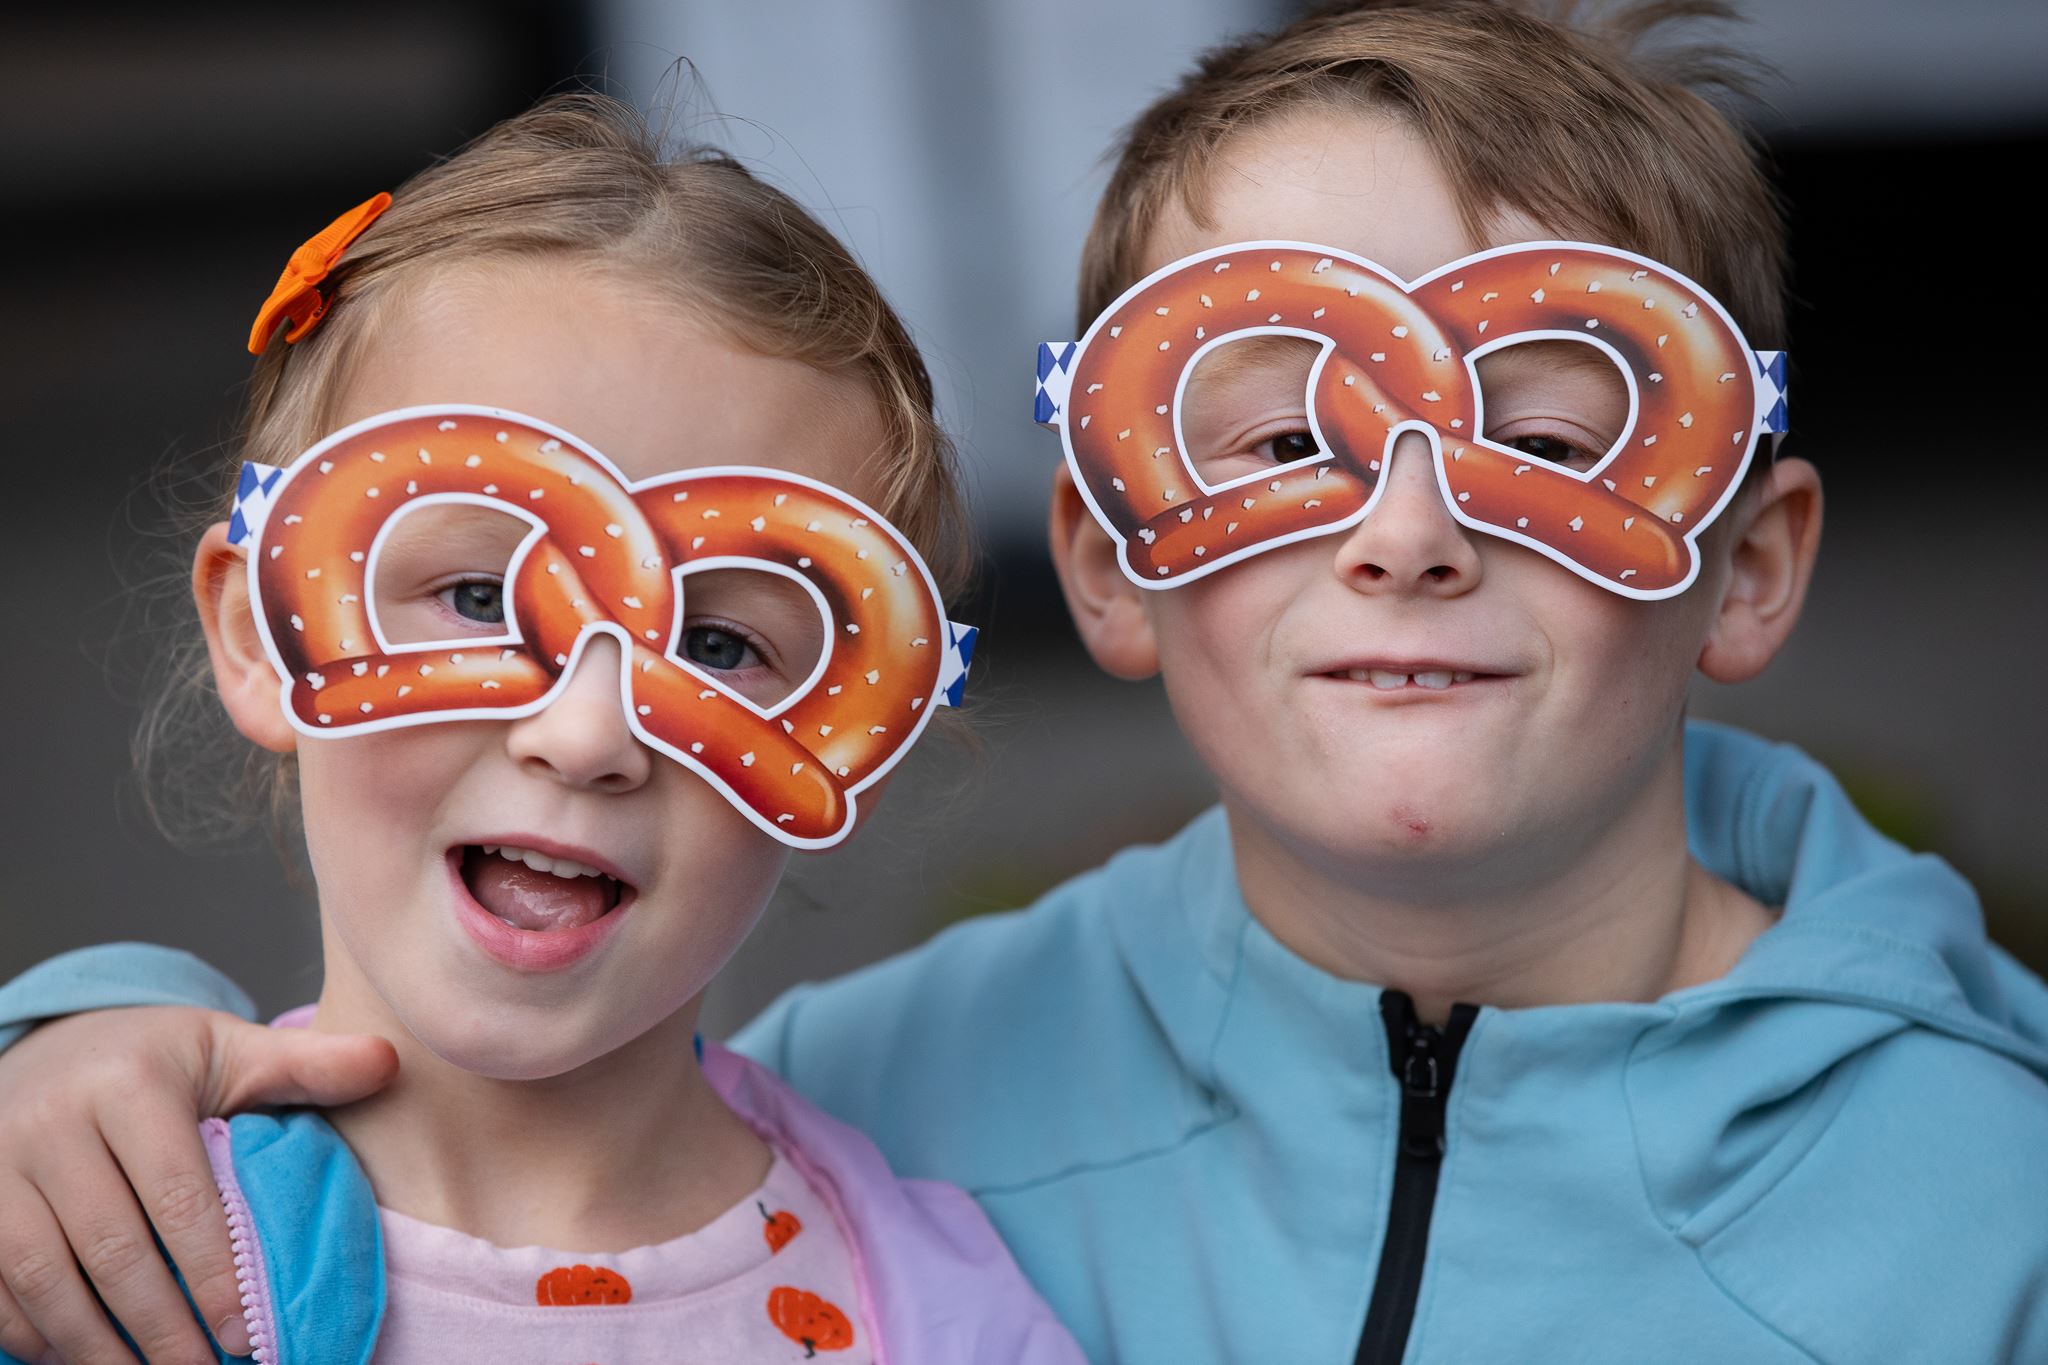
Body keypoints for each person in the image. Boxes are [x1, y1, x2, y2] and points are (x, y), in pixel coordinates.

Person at [6, 4, 2048, 1363]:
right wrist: (83, 1043)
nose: (1412, 527)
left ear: (1753, 560)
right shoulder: (904, 1078)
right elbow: (527, 1077)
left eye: (1551, 427)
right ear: (1105, 562)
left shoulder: (1992, 1200)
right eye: (1270, 440)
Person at [0, 92, 1080, 1365]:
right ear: (265, 630)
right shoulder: (85, 1237)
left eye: (722, 646)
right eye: (474, 596)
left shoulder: (941, 1318)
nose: (584, 738)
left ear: (855, 740)